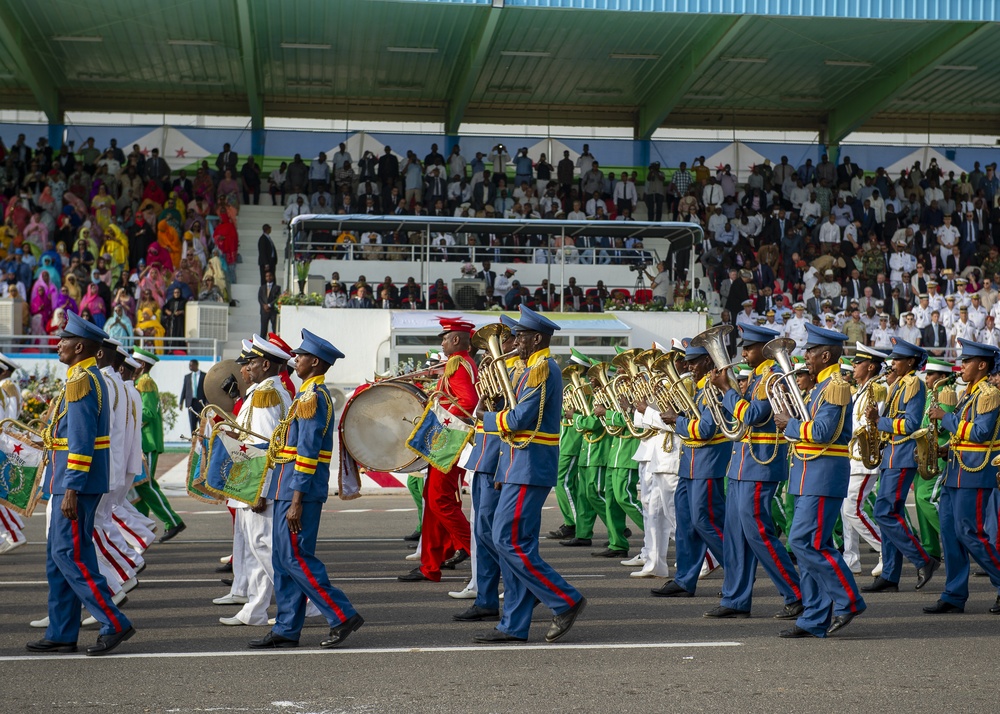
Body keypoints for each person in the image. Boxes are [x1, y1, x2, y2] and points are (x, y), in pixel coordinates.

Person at [474, 306, 587, 643]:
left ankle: (565, 599)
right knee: (509, 542)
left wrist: (486, 418)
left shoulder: (542, 369)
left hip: (529, 466)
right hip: (517, 465)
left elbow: (521, 419)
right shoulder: (529, 370)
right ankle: (514, 624)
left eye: (521, 336)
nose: (515, 342)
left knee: (508, 541)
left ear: (536, 338)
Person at [26, 312, 135, 656]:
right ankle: (62, 631)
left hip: (75, 483)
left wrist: (71, 488)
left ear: (81, 346)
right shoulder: (80, 376)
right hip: (69, 480)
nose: (58, 344)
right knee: (59, 556)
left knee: (67, 553)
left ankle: (113, 621)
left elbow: (82, 440)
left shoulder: (82, 381)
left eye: (65, 340)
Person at [249, 329, 364, 649]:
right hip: (286, 488)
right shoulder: (304, 395)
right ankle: (287, 628)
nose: (294, 359)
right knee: (282, 561)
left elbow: (308, 454)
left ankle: (342, 614)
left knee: (295, 557)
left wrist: (296, 499)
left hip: (299, 491)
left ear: (314, 362)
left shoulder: (312, 397)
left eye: (299, 356)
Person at [704, 324, 803, 620]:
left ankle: (795, 593)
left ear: (763, 348)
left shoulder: (771, 377)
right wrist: (729, 394)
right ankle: (736, 598)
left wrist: (727, 391)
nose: (743, 353)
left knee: (759, 534)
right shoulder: (758, 378)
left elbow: (753, 415)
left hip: (760, 465)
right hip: (741, 465)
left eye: (748, 347)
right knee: (735, 536)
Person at [773, 322, 866, 638]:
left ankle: (848, 599)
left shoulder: (836, 386)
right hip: (807, 473)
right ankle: (813, 618)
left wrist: (791, 425)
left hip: (823, 474)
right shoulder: (818, 388)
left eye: (810, 351)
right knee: (813, 545)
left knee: (802, 542)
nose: (806, 356)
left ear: (826, 354)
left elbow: (824, 432)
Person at [218, 336, 294, 628]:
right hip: (254, 480)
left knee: (264, 547)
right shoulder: (263, 392)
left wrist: (258, 491)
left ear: (265, 364)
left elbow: (264, 448)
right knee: (258, 547)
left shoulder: (266, 396)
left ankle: (305, 601)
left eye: (250, 362)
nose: (245, 367)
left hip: (259, 482)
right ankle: (255, 608)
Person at [924, 339, 1000, 615]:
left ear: (981, 365)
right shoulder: (969, 393)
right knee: (951, 535)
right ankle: (954, 594)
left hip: (975, 472)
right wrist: (944, 448)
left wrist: (946, 417)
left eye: (966, 361)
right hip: (955, 471)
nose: (962, 366)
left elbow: (980, 433)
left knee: (970, 534)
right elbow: (965, 432)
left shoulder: (989, 394)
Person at [398, 318, 477, 583]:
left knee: (441, 502)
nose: (441, 342)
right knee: (433, 502)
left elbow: (467, 402)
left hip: (448, 440)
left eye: (444, 337)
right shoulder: (459, 363)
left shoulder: (458, 364)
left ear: (455, 340)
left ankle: (479, 553)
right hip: (445, 440)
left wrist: (440, 417)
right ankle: (431, 564)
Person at [453, 316, 519, 621]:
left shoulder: (517, 374)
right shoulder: (494, 373)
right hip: (482, 459)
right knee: (481, 534)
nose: (491, 351)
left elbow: (514, 423)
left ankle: (520, 593)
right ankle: (487, 599)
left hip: (498, 461)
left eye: (500, 341)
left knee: (498, 536)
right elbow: (481, 413)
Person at [651, 338, 728, 598]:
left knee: (705, 521)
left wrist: (677, 420)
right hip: (691, 461)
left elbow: (706, 429)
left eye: (693, 362)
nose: (688, 366)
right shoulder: (698, 388)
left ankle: (738, 572)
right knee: (685, 523)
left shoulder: (713, 389)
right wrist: (678, 416)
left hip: (708, 462)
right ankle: (685, 579)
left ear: (707, 361)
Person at [862, 337, 939, 594]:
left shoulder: (913, 384)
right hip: (891, 455)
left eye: (897, 359)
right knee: (888, 514)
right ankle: (889, 574)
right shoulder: (898, 384)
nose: (892, 363)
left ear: (910, 362)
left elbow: (911, 424)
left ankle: (923, 560)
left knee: (885, 512)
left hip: (903, 455)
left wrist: (879, 421)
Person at [131, 348, 186, 541]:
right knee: (139, 486)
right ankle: (140, 528)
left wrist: (127, 418)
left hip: (147, 441)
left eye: (134, 361)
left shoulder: (144, 382)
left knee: (146, 485)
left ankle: (172, 521)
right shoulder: (139, 382)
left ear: (142, 365)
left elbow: (148, 413)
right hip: (143, 441)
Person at [843, 345, 886, 577]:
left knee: (852, 508)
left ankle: (884, 549)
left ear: (870, 366)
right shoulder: (860, 390)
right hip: (853, 457)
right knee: (845, 509)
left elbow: (872, 423)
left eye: (857, 363)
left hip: (865, 458)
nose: (853, 366)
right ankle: (851, 559)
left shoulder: (877, 389)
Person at [915, 358, 957, 566]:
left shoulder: (946, 394)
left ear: (942, 377)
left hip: (940, 457)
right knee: (919, 497)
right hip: (928, 454)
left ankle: (955, 540)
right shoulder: (932, 394)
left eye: (930, 374)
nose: (927, 378)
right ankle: (930, 548)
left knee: (926, 498)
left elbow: (944, 427)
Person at [179, 359, 207, 435]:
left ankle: (202, 441)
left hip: (201, 403)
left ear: (196, 365)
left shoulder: (204, 376)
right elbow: (184, 390)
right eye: (189, 365)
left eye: (191, 365)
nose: (190, 367)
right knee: (192, 424)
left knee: (202, 423)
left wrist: (207, 402)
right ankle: (194, 442)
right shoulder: (187, 377)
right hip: (191, 403)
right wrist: (181, 402)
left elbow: (206, 389)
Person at [259, 270, 280, 335]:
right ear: (265, 278)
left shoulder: (277, 287)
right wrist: (264, 305)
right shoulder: (262, 288)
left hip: (273, 310)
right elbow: (260, 298)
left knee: (274, 328)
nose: (268, 277)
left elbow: (277, 298)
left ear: (273, 277)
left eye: (270, 276)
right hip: (264, 311)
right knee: (263, 329)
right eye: (267, 276)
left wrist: (269, 305)